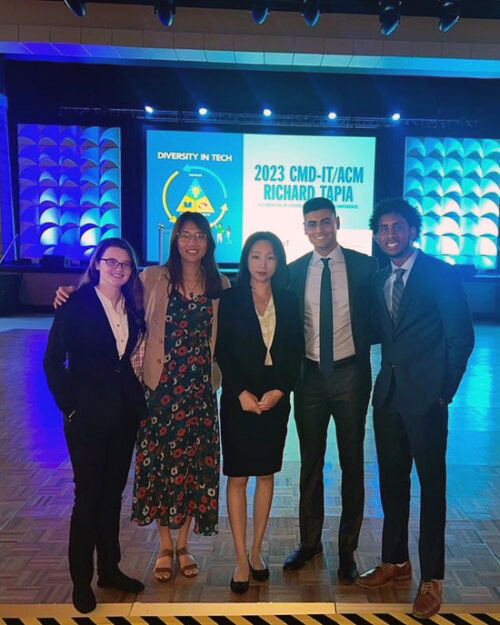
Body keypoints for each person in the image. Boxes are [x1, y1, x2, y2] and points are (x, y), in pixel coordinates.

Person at [54, 212, 230, 583]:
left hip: (198, 394)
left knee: (194, 471)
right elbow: (107, 297)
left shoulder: (221, 286)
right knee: (159, 469)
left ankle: (184, 545)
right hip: (158, 392)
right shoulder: (152, 278)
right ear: (175, 240)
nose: (192, 242)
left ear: (209, 241)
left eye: (199, 235)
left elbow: (228, 339)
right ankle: (165, 546)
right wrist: (69, 291)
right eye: (185, 235)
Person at [356, 198, 474, 618]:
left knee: (432, 491)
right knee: (392, 485)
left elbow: (461, 338)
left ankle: (433, 579)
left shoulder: (439, 274)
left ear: (412, 230)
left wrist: (443, 391)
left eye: (397, 227)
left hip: (426, 401)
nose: (390, 235)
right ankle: (395, 562)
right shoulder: (379, 277)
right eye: (383, 228)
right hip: (387, 398)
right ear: (376, 234)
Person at [44, 238, 147, 614]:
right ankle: (81, 582)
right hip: (86, 419)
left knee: (111, 497)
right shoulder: (74, 304)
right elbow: (53, 363)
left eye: (126, 264)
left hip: (122, 418)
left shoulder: (132, 307)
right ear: (97, 264)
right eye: (111, 262)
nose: (118, 268)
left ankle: (110, 570)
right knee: (87, 500)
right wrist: (70, 408)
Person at [284, 197, 377, 583]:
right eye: (312, 224)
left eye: (325, 222)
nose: (319, 229)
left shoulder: (364, 266)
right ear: (304, 229)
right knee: (310, 463)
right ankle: (310, 542)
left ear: (337, 222)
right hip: (308, 379)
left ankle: (347, 550)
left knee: (352, 463)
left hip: (350, 375)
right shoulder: (291, 272)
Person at [216, 232, 303, 593]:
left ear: (278, 262)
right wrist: (239, 392)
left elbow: (295, 348)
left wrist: (280, 389)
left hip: (274, 398)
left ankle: (256, 553)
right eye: (256, 256)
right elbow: (221, 349)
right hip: (239, 399)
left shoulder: (288, 297)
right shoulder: (231, 298)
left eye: (270, 257)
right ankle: (239, 558)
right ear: (246, 260)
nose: (263, 264)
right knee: (238, 478)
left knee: (265, 475)